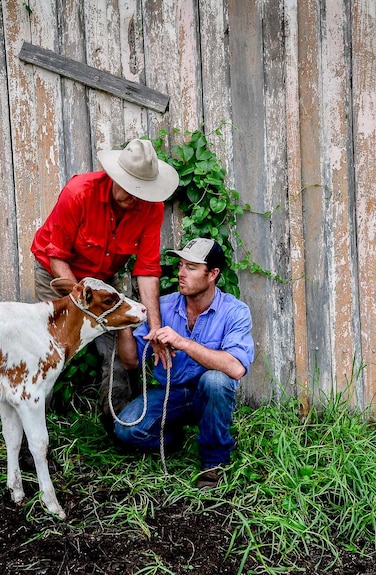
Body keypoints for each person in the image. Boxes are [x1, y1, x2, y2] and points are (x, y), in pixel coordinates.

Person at [30, 138, 178, 422]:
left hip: (103, 278)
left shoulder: (152, 208)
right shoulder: (78, 193)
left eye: (142, 191)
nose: (134, 197)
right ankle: (33, 427)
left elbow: (146, 269)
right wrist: (81, 304)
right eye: (129, 188)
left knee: (117, 349)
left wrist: (155, 328)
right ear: (113, 177)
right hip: (57, 272)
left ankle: (119, 423)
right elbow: (56, 255)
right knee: (50, 351)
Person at [114, 238, 254, 489]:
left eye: (191, 267)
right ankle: (174, 439)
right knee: (126, 429)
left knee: (216, 380)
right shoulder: (162, 308)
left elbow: (236, 368)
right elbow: (131, 362)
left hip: (208, 395)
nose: (180, 273)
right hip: (172, 394)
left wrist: (183, 342)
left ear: (213, 274)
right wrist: (122, 323)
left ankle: (214, 463)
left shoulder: (235, 311)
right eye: (180, 265)